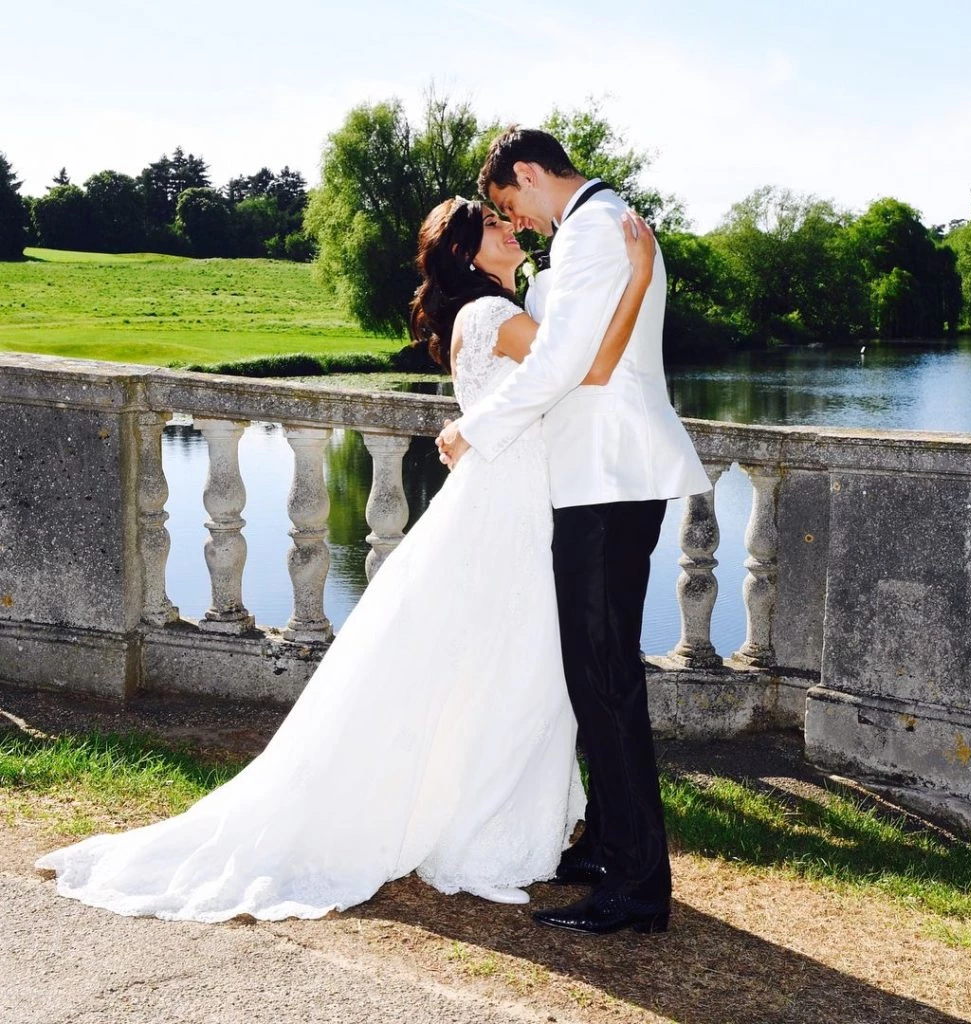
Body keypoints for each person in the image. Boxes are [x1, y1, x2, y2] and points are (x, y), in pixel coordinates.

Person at [33, 197, 658, 923]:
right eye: (493, 224)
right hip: (510, 509)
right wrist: (637, 276)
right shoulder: (492, 318)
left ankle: (487, 814)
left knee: (499, 664)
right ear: (464, 254)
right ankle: (478, 826)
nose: (510, 228)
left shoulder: (487, 314)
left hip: (506, 500)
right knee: (514, 663)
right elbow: (583, 370)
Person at [437, 128, 711, 936]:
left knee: (605, 676)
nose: (510, 217)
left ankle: (635, 886)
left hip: (609, 475)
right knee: (596, 675)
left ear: (526, 173)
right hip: (593, 476)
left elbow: (565, 368)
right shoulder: (595, 230)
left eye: (507, 201)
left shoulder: (595, 230)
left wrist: (471, 429)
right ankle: (609, 847)